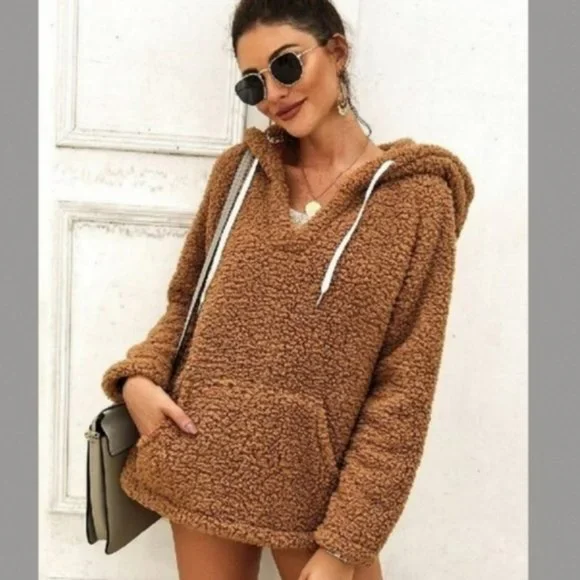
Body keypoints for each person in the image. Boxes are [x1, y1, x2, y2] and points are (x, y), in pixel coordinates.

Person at [100, 1, 475, 579]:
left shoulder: (416, 202)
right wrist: (138, 380)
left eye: (286, 66)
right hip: (203, 459)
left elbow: (404, 389)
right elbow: (186, 303)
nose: (273, 93)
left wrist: (348, 542)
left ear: (337, 52)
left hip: (318, 495)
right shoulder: (238, 175)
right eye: (253, 83)